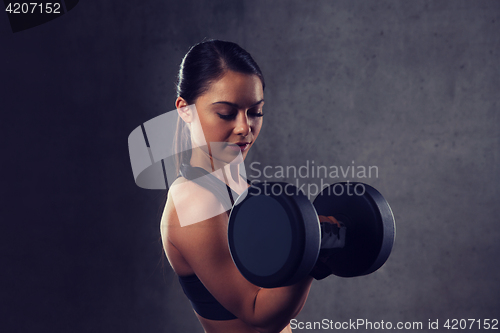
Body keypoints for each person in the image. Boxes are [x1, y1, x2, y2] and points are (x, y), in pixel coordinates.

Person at [160, 39, 314, 333]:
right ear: (185, 109)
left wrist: (319, 250)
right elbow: (258, 311)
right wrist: (314, 254)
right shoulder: (193, 199)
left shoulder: (238, 183)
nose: (245, 127)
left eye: (255, 112)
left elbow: (280, 302)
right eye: (226, 113)